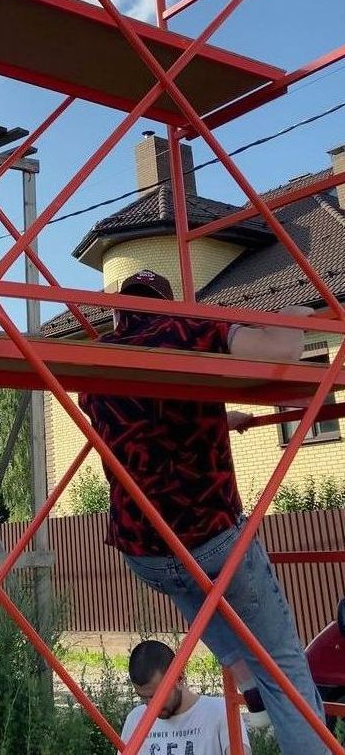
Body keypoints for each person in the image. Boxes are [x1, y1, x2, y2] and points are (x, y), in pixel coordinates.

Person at [78, 268, 328, 755]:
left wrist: (221, 417)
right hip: (210, 539)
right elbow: (281, 352)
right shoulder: (190, 330)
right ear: (169, 304)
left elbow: (149, 422)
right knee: (284, 667)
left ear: (119, 314)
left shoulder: (95, 361)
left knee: (191, 585)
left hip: (143, 552)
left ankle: (242, 672)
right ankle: (273, 697)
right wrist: (294, 317)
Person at [121, 639, 250, 754]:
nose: (150, 705)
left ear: (179, 677)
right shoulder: (135, 719)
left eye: (156, 697)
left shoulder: (220, 711)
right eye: (143, 697)